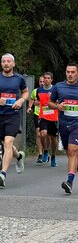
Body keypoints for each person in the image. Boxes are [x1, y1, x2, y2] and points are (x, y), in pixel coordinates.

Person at [48, 63, 78, 194]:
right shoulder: (59, 87)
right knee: (68, 152)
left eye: (73, 72)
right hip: (64, 124)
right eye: (68, 72)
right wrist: (58, 107)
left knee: (72, 150)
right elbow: (50, 103)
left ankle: (69, 181)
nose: (70, 74)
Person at [0, 53, 29, 187]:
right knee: (8, 146)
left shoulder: (19, 78)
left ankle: (2, 175)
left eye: (8, 61)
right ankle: (19, 156)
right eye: (3, 61)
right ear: (1, 64)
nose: (6, 63)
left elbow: (26, 92)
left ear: (13, 64)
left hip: (13, 115)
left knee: (8, 142)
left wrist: (21, 100)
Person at [36, 72, 58, 167]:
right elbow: (37, 100)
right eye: (45, 78)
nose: (46, 80)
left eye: (48, 78)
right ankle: (45, 151)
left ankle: (53, 156)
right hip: (43, 116)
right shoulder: (39, 90)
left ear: (51, 79)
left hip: (53, 117)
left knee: (53, 138)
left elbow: (59, 101)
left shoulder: (55, 89)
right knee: (43, 134)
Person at [27, 75, 45, 163]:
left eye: (43, 81)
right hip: (37, 114)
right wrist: (29, 107)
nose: (42, 83)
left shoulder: (51, 91)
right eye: (40, 82)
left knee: (45, 135)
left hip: (47, 115)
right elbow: (31, 99)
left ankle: (45, 151)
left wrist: (40, 102)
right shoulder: (35, 91)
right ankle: (40, 154)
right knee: (38, 134)